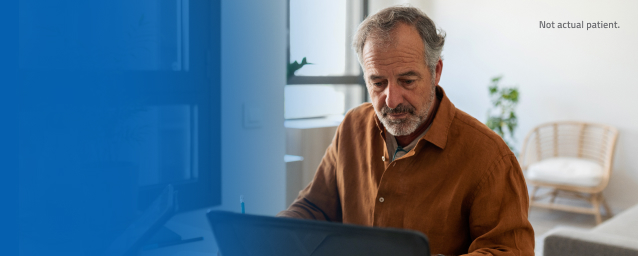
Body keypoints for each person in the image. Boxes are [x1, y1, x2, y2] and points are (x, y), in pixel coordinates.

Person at [277, 6, 534, 256]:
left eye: (407, 81)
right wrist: (270, 234)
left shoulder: (490, 157)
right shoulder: (352, 127)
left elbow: (509, 250)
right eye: (377, 83)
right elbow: (314, 208)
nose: (391, 100)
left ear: (436, 72)